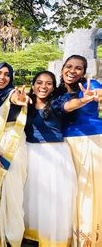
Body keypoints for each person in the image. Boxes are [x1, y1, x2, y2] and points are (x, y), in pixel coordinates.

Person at [23, 70, 97, 246]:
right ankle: (33, 236)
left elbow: (69, 105)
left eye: (48, 83)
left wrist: (82, 100)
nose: (43, 86)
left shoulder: (57, 103)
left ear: (53, 87)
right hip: (31, 154)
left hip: (55, 155)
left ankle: (53, 239)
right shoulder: (25, 103)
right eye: (39, 82)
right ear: (33, 85)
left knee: (55, 200)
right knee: (33, 199)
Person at [0, 62, 32, 246]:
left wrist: (20, 99)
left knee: (12, 191)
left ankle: (12, 236)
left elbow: (16, 99)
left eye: (6, 74)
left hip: (12, 145)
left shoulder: (11, 93)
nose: (2, 77)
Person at [57, 55, 102, 247]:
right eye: (69, 66)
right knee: (71, 193)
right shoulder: (58, 93)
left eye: (78, 68)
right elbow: (66, 107)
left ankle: (88, 240)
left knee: (90, 193)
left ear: (84, 72)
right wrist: (82, 100)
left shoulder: (92, 85)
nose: (72, 71)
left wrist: (93, 97)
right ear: (62, 69)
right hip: (67, 146)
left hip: (91, 142)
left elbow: (99, 95)